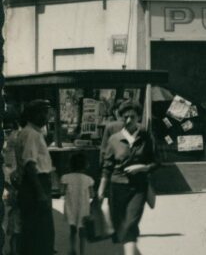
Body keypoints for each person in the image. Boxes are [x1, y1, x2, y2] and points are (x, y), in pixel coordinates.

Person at [99, 100, 159, 255]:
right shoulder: (114, 139)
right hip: (117, 187)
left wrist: (143, 167)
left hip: (139, 188)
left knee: (130, 225)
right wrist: (100, 191)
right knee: (120, 229)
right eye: (125, 117)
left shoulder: (146, 137)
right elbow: (106, 167)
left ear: (138, 117)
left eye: (132, 117)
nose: (128, 120)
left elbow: (157, 162)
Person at [13, 100, 54, 255]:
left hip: (33, 185)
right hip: (35, 185)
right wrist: (40, 193)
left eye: (47, 112)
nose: (46, 116)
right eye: (42, 112)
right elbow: (30, 165)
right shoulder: (31, 134)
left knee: (33, 231)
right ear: (33, 115)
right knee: (39, 232)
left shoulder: (33, 132)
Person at [61, 152, 94, 255]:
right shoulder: (88, 179)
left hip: (71, 205)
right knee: (82, 231)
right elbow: (92, 194)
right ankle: (82, 252)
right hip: (83, 206)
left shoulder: (65, 177)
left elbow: (62, 191)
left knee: (72, 229)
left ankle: (72, 249)